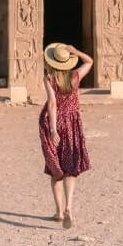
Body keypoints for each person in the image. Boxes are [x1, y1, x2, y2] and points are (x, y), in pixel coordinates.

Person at [39, 42, 93, 229]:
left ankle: (59, 212)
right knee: (71, 167)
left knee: (55, 168)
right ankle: (69, 206)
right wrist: (76, 50)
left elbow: (52, 104)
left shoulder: (49, 78)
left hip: (55, 123)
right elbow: (89, 61)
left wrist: (53, 129)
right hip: (72, 123)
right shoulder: (75, 76)